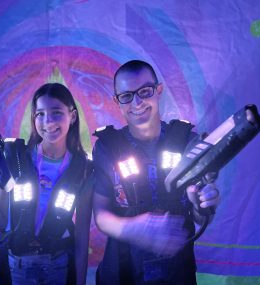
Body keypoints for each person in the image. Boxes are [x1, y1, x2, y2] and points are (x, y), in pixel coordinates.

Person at [92, 60, 220, 285]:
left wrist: (202, 204)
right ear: (117, 101)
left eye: (144, 91)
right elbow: (100, 214)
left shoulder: (186, 141)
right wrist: (134, 229)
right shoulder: (107, 146)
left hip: (176, 271)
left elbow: (200, 215)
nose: (137, 102)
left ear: (158, 90)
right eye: (127, 96)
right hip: (123, 271)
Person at [0, 83, 94, 285]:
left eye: (56, 112)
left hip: (59, 267)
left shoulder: (83, 168)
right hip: (16, 268)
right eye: (40, 114)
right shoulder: (15, 157)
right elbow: (1, 222)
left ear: (72, 116)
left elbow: (81, 240)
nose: (48, 121)